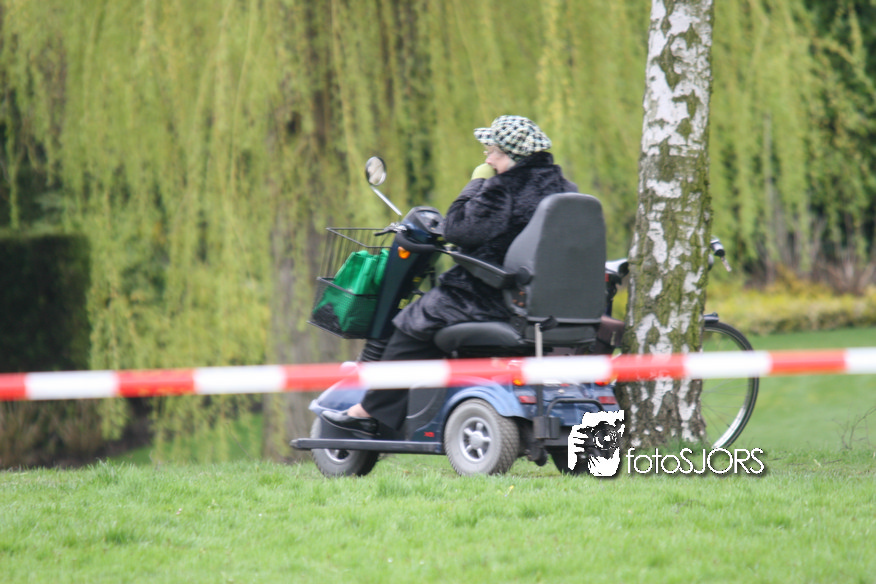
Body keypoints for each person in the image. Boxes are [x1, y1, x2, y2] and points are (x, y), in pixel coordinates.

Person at [321, 115, 578, 434]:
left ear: (512, 157)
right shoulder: (565, 190)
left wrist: (476, 183)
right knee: (427, 318)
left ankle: (369, 412)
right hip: (545, 300)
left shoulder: (503, 188)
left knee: (412, 323)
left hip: (490, 295)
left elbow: (458, 230)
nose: (487, 159)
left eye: (492, 152)